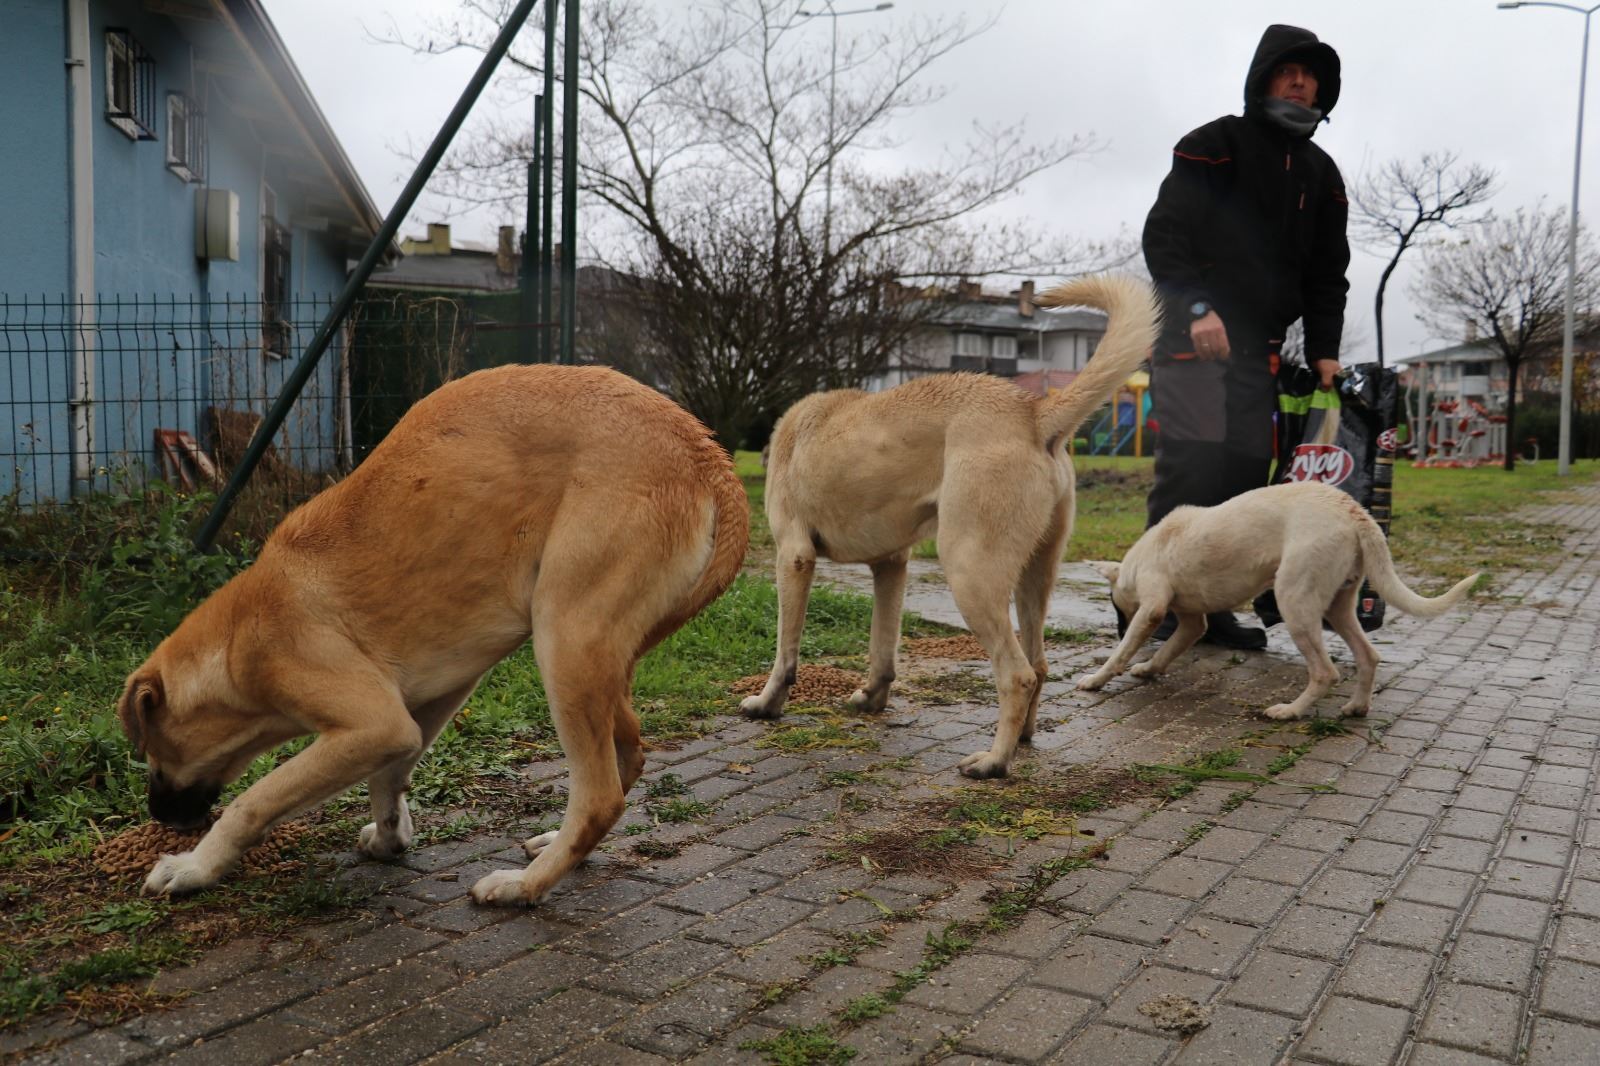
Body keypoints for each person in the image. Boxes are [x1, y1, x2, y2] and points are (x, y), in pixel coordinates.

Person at [1139, 23, 1351, 649]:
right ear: (1263, 76)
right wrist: (1198, 307)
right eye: (1289, 69)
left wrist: (1325, 352)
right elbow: (1165, 239)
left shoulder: (1322, 174)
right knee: (1191, 476)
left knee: (1241, 484)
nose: (1300, 81)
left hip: (1259, 351)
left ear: (1323, 92)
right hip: (1192, 340)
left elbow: (1326, 274)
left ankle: (1208, 611)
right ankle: (1145, 609)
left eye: (1312, 75)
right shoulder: (1213, 145)